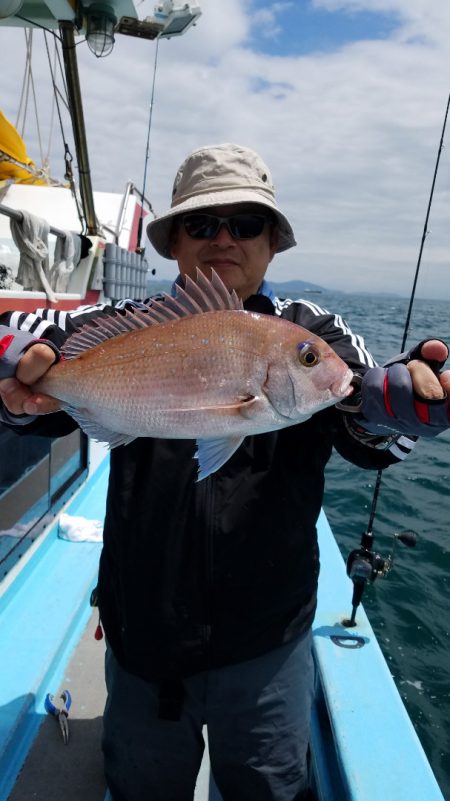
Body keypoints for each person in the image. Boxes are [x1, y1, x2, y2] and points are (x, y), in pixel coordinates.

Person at [1, 143, 449, 801]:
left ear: (272, 242)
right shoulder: (123, 325)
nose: (223, 238)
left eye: (244, 223)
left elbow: (360, 414)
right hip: (144, 638)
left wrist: (402, 408)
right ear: (175, 242)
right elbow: (48, 383)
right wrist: (21, 384)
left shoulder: (311, 331)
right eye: (202, 224)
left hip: (267, 643)